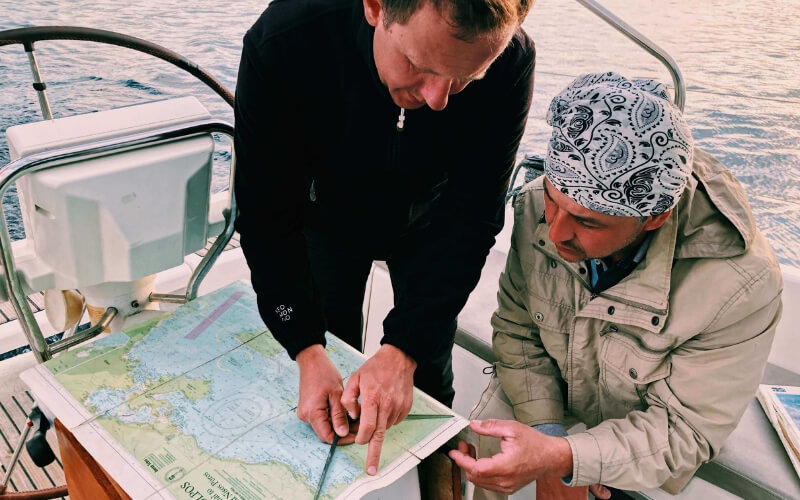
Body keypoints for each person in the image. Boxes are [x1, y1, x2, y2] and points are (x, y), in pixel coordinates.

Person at [232, 0, 536, 476]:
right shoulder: (284, 40)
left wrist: (406, 347)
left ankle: (436, 478)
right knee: (328, 353)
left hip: (432, 223)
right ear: (376, 7)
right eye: (419, 65)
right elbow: (266, 214)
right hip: (327, 215)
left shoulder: (510, 59)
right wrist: (305, 347)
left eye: (465, 79)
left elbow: (471, 218)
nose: (438, 99)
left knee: (427, 373)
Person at [449, 72, 783, 499]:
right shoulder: (535, 205)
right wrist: (549, 437)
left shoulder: (742, 284)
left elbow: (685, 430)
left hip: (641, 436)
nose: (555, 232)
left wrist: (567, 460)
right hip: (548, 397)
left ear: (656, 217)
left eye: (588, 222)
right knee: (486, 448)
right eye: (552, 198)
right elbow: (518, 333)